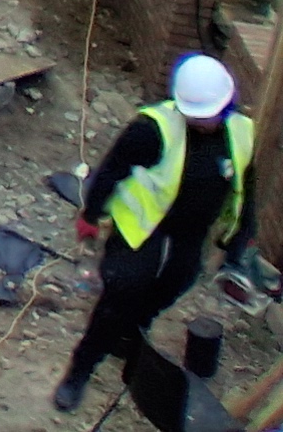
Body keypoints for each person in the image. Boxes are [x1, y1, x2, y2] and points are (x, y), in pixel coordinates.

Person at [54, 54, 258, 411]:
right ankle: (80, 370)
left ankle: (131, 330)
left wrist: (241, 235)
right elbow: (112, 169)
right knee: (122, 292)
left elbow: (246, 187)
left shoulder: (241, 132)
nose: (202, 122)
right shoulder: (153, 129)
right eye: (195, 116)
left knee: (178, 282)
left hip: (191, 232)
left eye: (207, 115)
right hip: (143, 228)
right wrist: (92, 213)